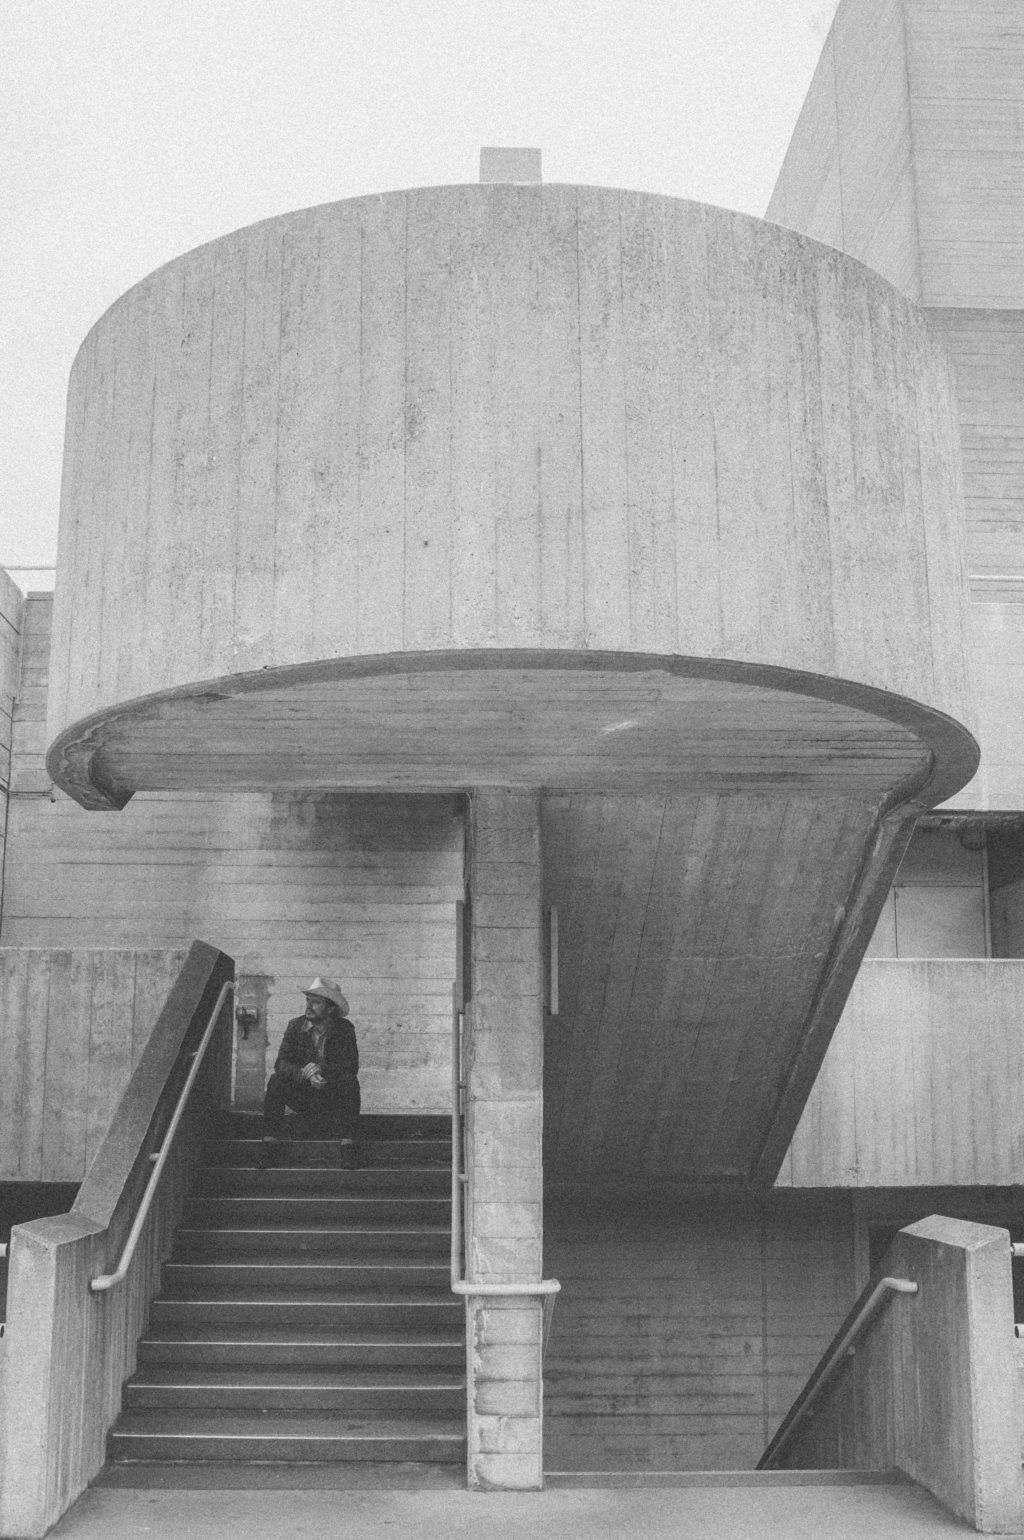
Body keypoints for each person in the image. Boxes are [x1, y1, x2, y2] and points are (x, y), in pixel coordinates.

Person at [262, 977, 360, 1145]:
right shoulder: (295, 1026)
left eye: (316, 1002)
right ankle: (270, 1139)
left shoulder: (344, 1029)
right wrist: (305, 1073)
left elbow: (350, 1065)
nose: (308, 1006)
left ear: (330, 1009)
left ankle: (348, 1142)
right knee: (276, 1080)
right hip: (304, 1094)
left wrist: (321, 1070)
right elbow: (281, 1063)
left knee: (350, 1081)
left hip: (330, 1095)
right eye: (308, 1001)